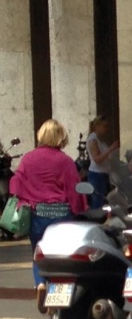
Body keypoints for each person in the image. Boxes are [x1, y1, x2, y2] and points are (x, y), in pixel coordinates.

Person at [9, 118, 88, 299]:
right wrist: (80, 211)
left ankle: (40, 284)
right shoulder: (65, 161)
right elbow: (74, 190)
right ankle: (56, 289)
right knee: (61, 255)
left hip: (37, 214)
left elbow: (16, 182)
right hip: (62, 216)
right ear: (60, 137)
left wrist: (25, 198)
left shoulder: (29, 158)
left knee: (39, 252)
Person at [86, 114, 118, 207]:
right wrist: (111, 148)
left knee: (105, 201)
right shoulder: (93, 140)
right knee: (98, 203)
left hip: (104, 173)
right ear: (97, 126)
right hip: (97, 175)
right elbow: (97, 159)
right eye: (104, 126)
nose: (106, 129)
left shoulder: (100, 139)